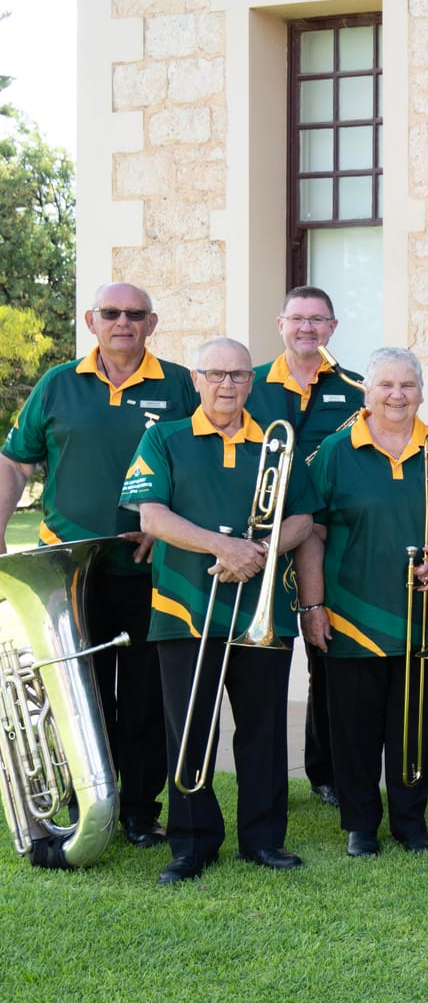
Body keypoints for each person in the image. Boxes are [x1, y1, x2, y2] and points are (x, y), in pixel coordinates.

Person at [0, 281, 198, 849]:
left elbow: (203, 461)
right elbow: (14, 464)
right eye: (111, 313)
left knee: (143, 695)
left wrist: (166, 527)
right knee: (76, 693)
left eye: (135, 314)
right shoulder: (57, 384)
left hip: (147, 568)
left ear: (152, 324)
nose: (123, 322)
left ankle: (138, 811)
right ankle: (84, 799)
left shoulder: (181, 385)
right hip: (66, 572)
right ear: (92, 321)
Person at [122, 337, 317, 882]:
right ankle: (191, 844)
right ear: (197, 380)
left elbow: (304, 520)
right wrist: (223, 547)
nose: (227, 385)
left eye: (238, 375)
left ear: (251, 383)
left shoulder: (277, 443)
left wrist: (259, 550)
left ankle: (263, 840)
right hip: (184, 609)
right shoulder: (165, 437)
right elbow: (152, 517)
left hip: (261, 609)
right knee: (188, 730)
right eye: (215, 374)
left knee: (263, 729)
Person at [295, 348, 428, 856]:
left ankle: (411, 822)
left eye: (407, 385)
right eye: (385, 385)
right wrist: (312, 606)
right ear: (368, 392)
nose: (397, 395)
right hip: (351, 616)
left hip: (426, 618)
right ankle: (361, 825)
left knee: (416, 726)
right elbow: (311, 530)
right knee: (354, 728)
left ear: (422, 392)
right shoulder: (336, 450)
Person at [246, 286, 366, 811]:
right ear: (281, 324)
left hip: (329, 539)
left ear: (333, 327)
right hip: (263, 536)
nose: (307, 329)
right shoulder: (248, 383)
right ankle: (265, 778)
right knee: (261, 666)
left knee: (328, 658)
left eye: (318, 320)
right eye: (298, 318)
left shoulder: (358, 389)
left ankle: (326, 771)